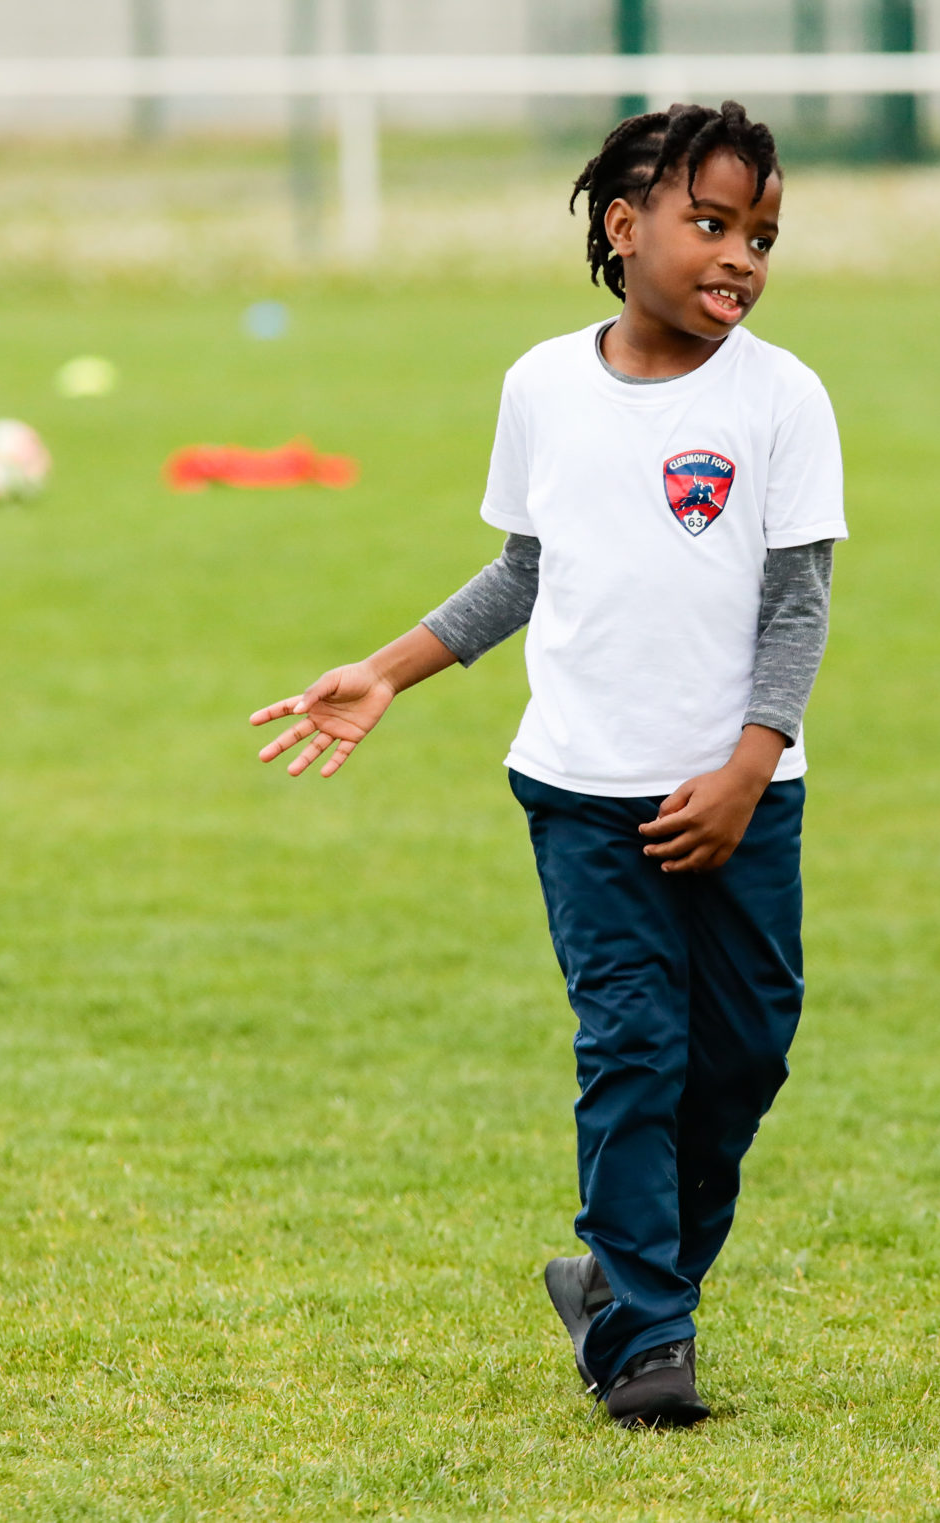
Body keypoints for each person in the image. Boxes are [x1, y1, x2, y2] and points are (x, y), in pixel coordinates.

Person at [250, 102, 844, 1429]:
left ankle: (611, 1279)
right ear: (622, 226)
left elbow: (798, 602)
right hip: (584, 792)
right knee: (635, 1043)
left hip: (746, 799)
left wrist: (752, 765)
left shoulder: (784, 398)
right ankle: (647, 1339)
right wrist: (388, 669)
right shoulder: (541, 386)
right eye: (712, 222)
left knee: (742, 1057)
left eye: (763, 232)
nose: (741, 254)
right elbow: (526, 566)